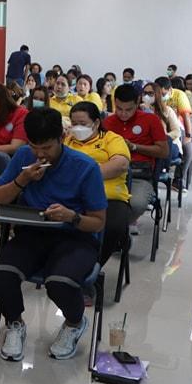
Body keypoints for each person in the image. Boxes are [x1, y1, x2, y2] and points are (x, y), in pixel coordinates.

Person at [0, 107, 108, 362]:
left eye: (47, 148)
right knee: (1, 275)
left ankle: (75, 323)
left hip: (75, 237)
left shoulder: (85, 167)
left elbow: (98, 222)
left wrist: (72, 217)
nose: (40, 154)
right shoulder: (24, 155)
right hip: (32, 234)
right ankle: (15, 323)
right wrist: (22, 179)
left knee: (59, 283)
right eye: (35, 147)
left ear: (62, 138)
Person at [66, 102, 131, 267]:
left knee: (113, 227)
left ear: (96, 123)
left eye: (83, 124)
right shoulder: (67, 141)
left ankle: (93, 266)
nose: (77, 128)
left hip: (109, 197)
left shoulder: (112, 139)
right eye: (74, 123)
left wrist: (85, 177)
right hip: (71, 196)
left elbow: (121, 164)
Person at [103, 84, 169, 228]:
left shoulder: (150, 120)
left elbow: (164, 151)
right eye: (119, 109)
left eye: (128, 109)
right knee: (95, 200)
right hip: (112, 174)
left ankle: (118, 230)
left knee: (136, 204)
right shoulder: (108, 122)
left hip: (140, 175)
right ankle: (112, 231)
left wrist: (134, 147)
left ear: (137, 102)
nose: (123, 114)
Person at [155, 76, 192, 193]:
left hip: (179, 124)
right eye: (158, 94)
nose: (160, 96)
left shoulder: (179, 95)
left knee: (187, 149)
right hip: (161, 127)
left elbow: (186, 117)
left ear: (170, 90)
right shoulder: (152, 99)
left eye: (163, 94)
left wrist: (188, 135)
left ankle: (178, 179)